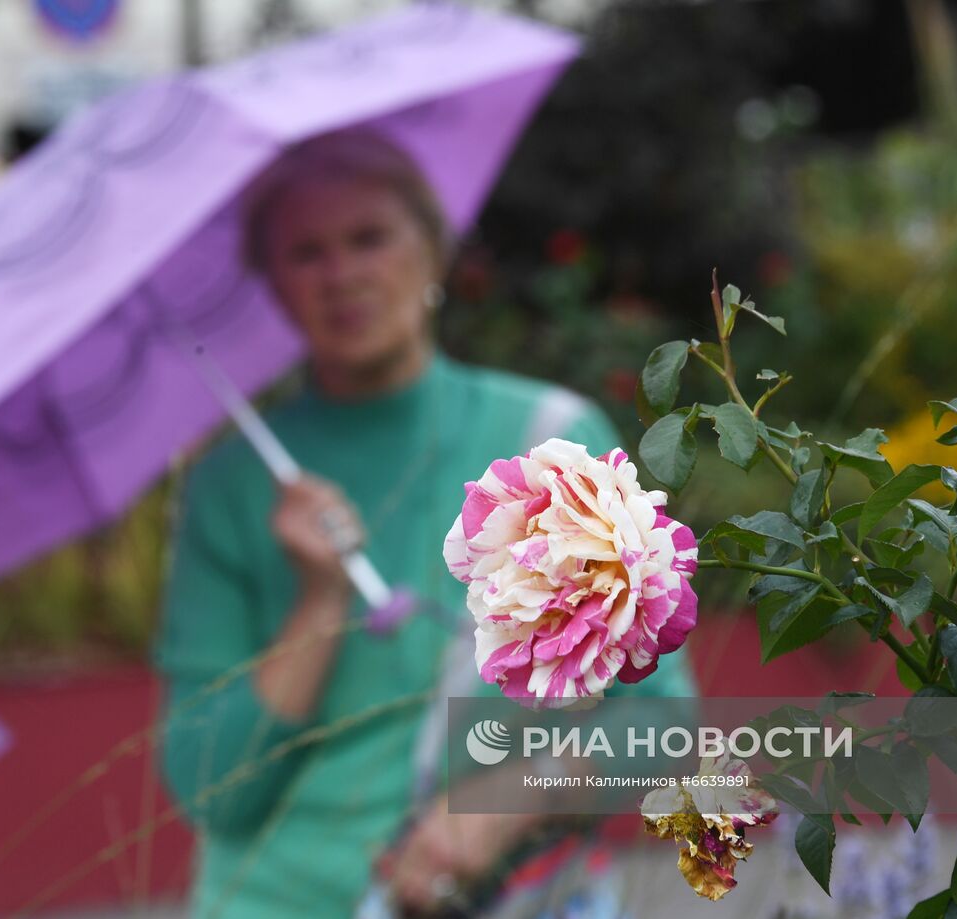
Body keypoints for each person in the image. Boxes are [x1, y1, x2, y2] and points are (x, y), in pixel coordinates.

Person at [153, 130, 695, 918]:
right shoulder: (234, 486)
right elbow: (210, 791)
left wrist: (500, 805)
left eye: (369, 237)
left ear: (435, 250)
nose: (342, 275)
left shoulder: (548, 441)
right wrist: (317, 601)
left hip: (508, 897)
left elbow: (660, 722)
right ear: (272, 283)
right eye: (306, 253)